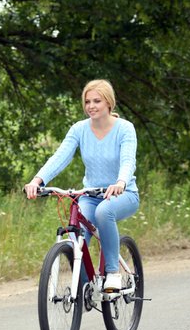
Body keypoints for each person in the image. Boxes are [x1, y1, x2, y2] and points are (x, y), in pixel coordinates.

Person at [24, 79, 139, 292]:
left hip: (123, 194)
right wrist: (37, 180)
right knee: (76, 236)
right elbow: (60, 157)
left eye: (97, 101)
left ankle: (113, 272)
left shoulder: (125, 129)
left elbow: (128, 160)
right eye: (87, 101)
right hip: (90, 195)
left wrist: (121, 182)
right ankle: (85, 287)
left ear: (109, 103)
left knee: (105, 212)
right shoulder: (79, 129)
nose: (91, 106)